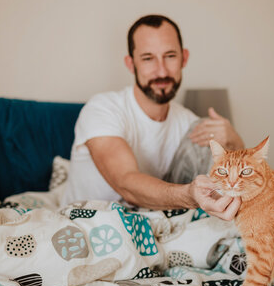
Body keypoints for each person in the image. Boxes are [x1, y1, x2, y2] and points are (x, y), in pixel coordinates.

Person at [62, 14, 244, 220]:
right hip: (88, 222)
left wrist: (235, 142)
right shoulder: (102, 109)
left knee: (210, 137)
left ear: (184, 58)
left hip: (151, 220)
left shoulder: (186, 122)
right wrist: (189, 195)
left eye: (170, 56)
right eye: (148, 58)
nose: (161, 71)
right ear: (131, 64)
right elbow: (125, 181)